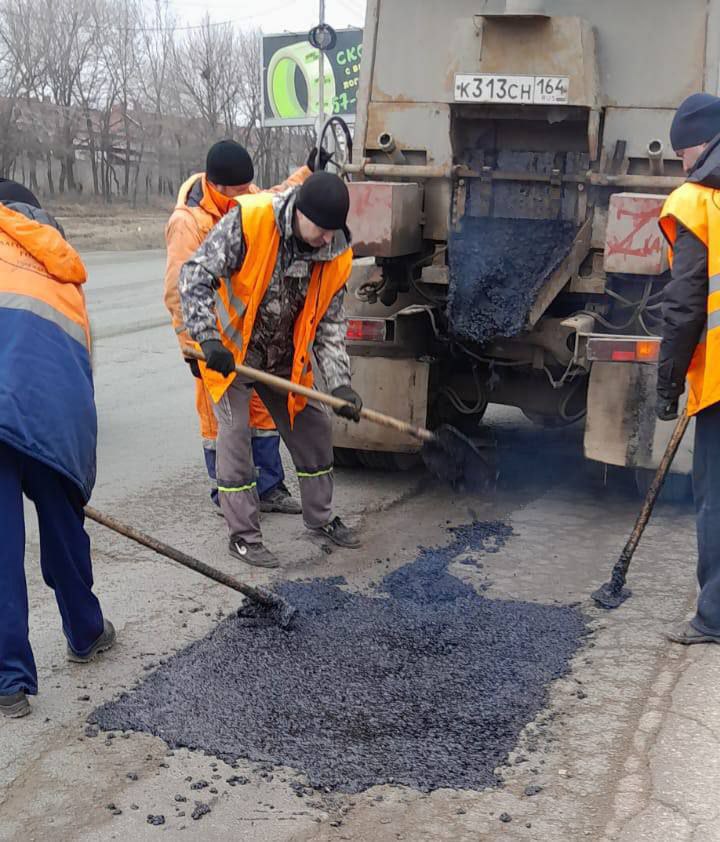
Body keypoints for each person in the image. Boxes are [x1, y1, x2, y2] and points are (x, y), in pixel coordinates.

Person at [178, 171, 362, 568]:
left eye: (335, 231)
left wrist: (341, 385)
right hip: (233, 354)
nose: (328, 239)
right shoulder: (251, 221)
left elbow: (329, 325)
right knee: (235, 436)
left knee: (314, 427)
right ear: (300, 213)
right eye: (322, 229)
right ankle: (243, 537)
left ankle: (321, 518)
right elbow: (194, 275)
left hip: (282, 358)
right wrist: (208, 339)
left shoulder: (336, 252)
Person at [164, 140, 330, 515]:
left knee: (262, 415)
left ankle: (269, 488)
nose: (247, 195)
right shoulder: (188, 223)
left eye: (248, 189)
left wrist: (308, 173)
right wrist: (194, 345)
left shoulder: (247, 199)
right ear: (217, 187)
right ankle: (227, 495)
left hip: (248, 333)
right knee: (222, 425)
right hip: (212, 339)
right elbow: (180, 287)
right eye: (240, 191)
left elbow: (276, 197)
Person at [0, 181, 114, 718]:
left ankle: (9, 682)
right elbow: (82, 366)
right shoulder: (60, 265)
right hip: (53, 414)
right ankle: (86, 631)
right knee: (63, 523)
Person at [657, 92, 720, 644]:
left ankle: (714, 616)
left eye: (683, 154)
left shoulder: (698, 202)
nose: (683, 165)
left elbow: (684, 304)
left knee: (715, 495)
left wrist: (668, 382)